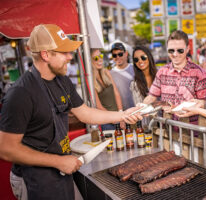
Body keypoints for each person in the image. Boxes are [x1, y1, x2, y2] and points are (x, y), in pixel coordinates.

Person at [0, 24, 142, 200]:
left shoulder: (62, 81)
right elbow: (6, 149)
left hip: (62, 169)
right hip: (35, 178)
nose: (70, 57)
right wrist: (58, 161)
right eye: (63, 52)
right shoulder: (20, 93)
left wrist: (124, 115)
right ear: (45, 54)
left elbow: (85, 113)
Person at [143, 30, 206, 127]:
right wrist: (142, 107)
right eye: (171, 50)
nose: (175, 54)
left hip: (192, 132)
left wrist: (187, 107)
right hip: (167, 130)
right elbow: (151, 96)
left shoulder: (199, 73)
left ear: (187, 49)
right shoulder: (162, 72)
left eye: (180, 50)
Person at [91, 48, 123, 130]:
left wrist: (121, 114)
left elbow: (116, 93)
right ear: (90, 61)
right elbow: (99, 106)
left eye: (100, 56)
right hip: (106, 122)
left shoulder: (106, 72)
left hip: (118, 117)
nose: (100, 60)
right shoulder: (90, 80)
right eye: (96, 58)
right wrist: (114, 119)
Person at [130, 46, 157, 127]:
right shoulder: (134, 84)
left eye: (143, 57)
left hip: (166, 124)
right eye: (136, 59)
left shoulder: (159, 77)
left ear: (149, 57)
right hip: (147, 126)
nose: (140, 61)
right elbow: (140, 109)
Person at [110, 42, 135, 111]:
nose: (117, 57)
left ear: (126, 54)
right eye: (114, 55)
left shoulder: (135, 69)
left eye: (120, 54)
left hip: (137, 111)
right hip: (122, 115)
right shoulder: (110, 74)